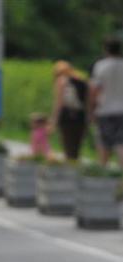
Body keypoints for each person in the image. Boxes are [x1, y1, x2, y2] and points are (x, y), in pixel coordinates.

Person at [89, 37, 123, 169]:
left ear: (105, 49)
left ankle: (103, 171)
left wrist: (91, 110)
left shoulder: (101, 65)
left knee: (104, 143)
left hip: (105, 109)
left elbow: (94, 90)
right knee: (121, 143)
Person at [50, 60, 88, 160]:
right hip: (81, 116)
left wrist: (53, 121)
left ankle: (70, 168)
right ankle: (75, 165)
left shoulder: (61, 81)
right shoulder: (82, 81)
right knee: (76, 149)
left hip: (67, 116)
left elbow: (59, 103)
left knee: (68, 147)